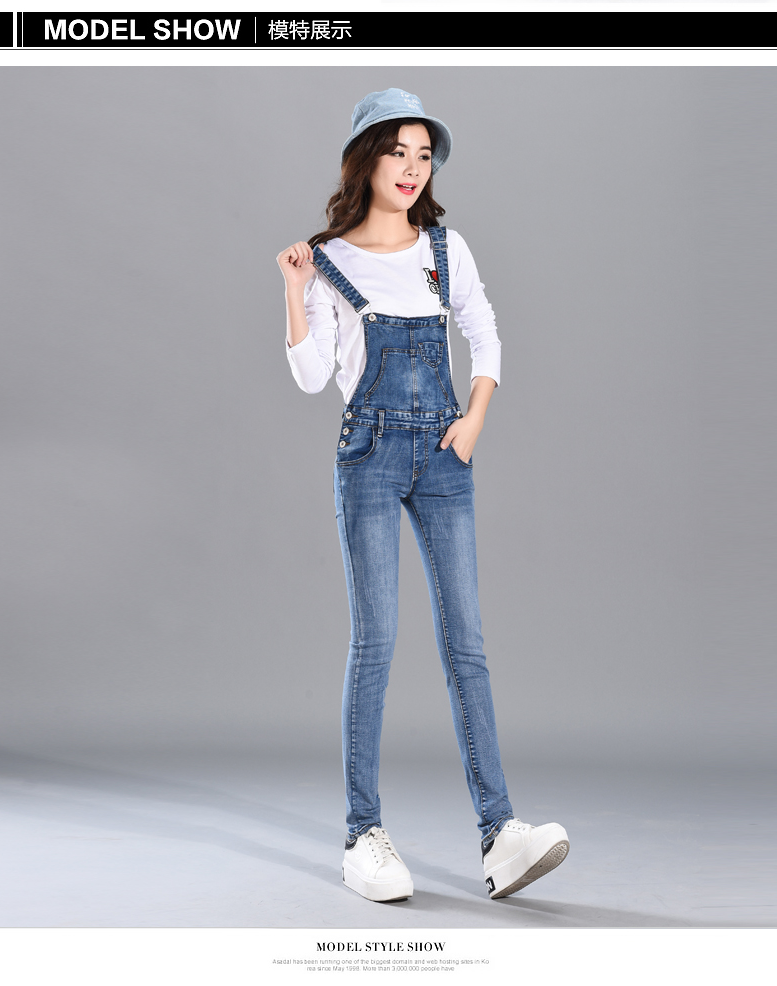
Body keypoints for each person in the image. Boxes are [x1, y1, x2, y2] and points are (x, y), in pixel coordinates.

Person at [276, 89, 569, 903]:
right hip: (368, 457)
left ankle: (500, 833)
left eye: (423, 155)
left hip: (444, 456)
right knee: (375, 644)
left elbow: (485, 330)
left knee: (466, 643)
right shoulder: (328, 259)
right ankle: (362, 834)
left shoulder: (444, 248)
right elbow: (311, 378)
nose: (411, 169)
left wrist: (474, 419)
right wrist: (294, 290)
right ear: (365, 160)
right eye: (396, 152)